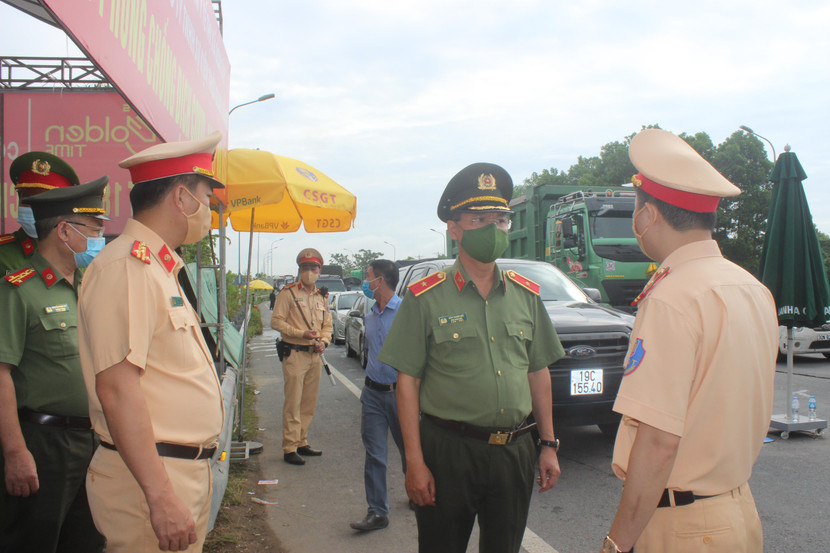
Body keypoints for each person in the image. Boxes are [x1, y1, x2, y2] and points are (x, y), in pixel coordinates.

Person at [597, 129, 778, 553]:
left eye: (636, 208)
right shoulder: (751, 287)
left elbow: (658, 443)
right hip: (738, 512)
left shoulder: (672, 298)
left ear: (648, 216)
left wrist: (616, 544)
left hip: (683, 526)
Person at [378, 163, 565, 553]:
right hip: (448, 450)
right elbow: (406, 383)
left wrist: (547, 443)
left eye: (500, 219)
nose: (493, 229)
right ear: (455, 228)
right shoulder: (426, 296)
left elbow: (538, 372)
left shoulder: (526, 295)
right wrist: (415, 461)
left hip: (514, 450)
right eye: (479, 219)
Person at [77, 132, 226, 553]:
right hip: (151, 483)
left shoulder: (157, 267)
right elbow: (118, 390)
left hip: (175, 473)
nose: (211, 211)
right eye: (206, 198)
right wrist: (160, 497)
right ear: (181, 198)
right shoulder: (128, 268)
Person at [0, 177, 109, 553]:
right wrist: (15, 453)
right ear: (65, 231)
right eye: (95, 230)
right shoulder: (18, 290)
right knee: (36, 540)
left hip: (91, 440)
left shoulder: (86, 288)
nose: (100, 239)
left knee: (87, 541)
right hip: (43, 444)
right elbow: (1, 376)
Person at [350, 259, 406, 532]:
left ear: (380, 281)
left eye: (368, 277)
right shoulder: (370, 314)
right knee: (375, 455)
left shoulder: (407, 312)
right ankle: (377, 512)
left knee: (410, 451)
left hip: (402, 395)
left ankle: (417, 491)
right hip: (372, 393)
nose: (365, 282)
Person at [271, 249, 333, 466]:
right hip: (295, 354)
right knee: (293, 403)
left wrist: (324, 342)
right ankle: (289, 447)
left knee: (308, 403)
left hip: (314, 356)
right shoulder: (287, 294)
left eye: (313, 268)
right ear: (299, 270)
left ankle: (301, 441)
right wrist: (301, 334)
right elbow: (276, 322)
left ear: (319, 271)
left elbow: (328, 326)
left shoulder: (322, 297)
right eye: (304, 268)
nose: (309, 272)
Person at [0, 152, 80, 276]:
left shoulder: (78, 253)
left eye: (46, 202)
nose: (35, 207)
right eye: (28, 199)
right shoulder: (3, 253)